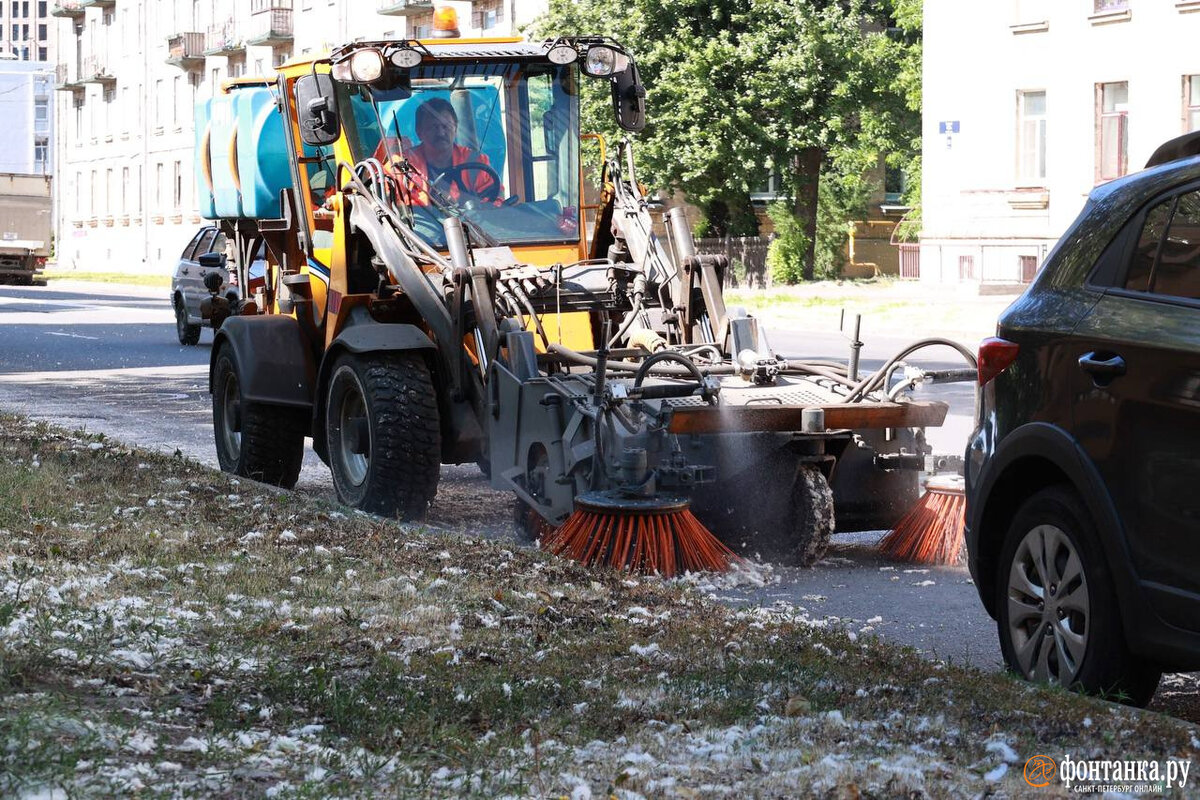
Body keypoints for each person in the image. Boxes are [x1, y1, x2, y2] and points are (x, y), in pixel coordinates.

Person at [376, 97, 501, 205]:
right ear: (419, 132)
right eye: (433, 127)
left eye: (446, 126)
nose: (441, 133)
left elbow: (496, 202)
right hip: (416, 232)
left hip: (471, 230)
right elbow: (382, 200)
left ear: (456, 129)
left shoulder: (476, 163)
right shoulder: (401, 166)